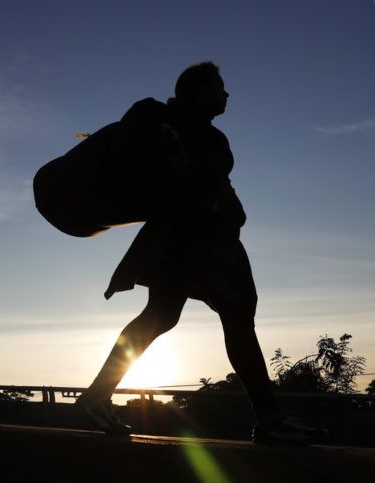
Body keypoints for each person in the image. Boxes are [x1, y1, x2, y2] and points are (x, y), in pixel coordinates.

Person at [75, 62, 327, 444]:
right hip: (201, 241)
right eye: (218, 86)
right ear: (196, 90)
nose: (226, 94)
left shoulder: (178, 128)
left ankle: (95, 397)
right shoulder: (181, 131)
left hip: (178, 242)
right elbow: (186, 184)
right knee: (237, 315)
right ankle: (271, 420)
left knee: (160, 316)